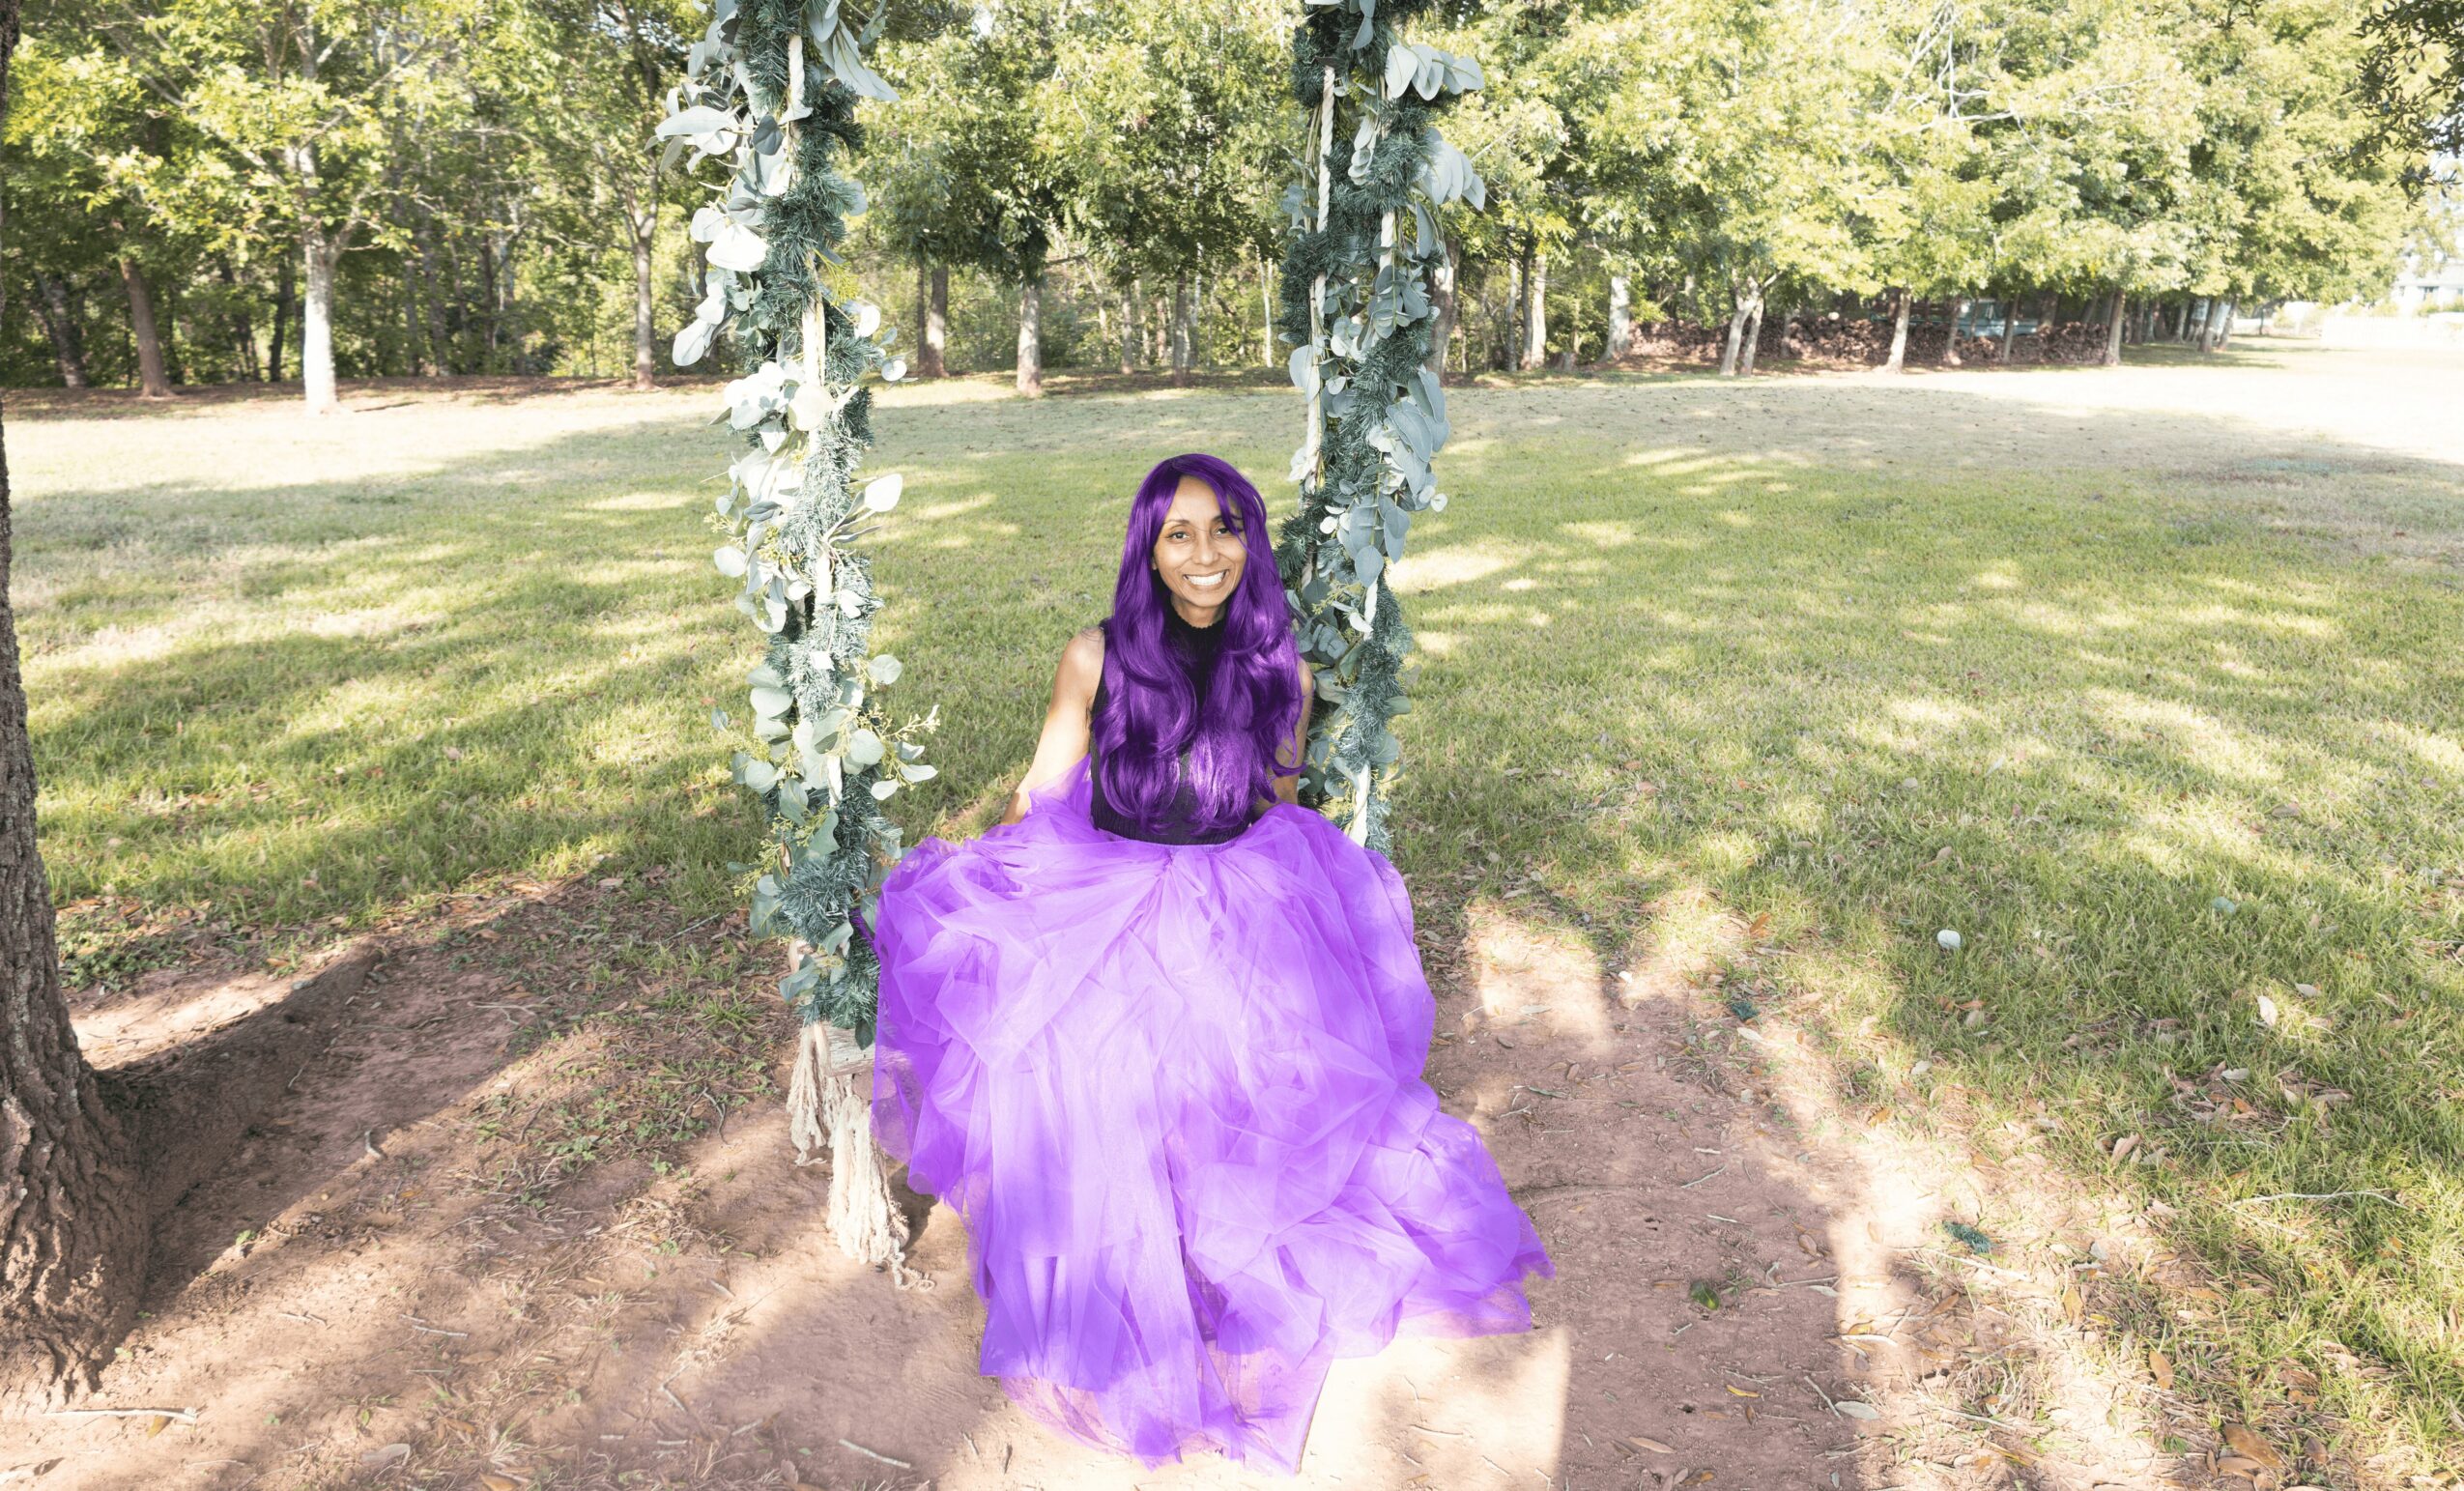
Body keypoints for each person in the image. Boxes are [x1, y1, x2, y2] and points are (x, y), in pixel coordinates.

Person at [869, 452, 1552, 1475]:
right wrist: (1012, 881)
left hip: (1238, 886)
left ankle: (1222, 1259)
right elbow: (1042, 785)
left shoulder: (1283, 668)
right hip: (1111, 888)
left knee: (1248, 1070)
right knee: (1100, 1069)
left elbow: (1274, 791)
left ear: (1252, 542)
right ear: (1149, 546)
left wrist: (1265, 898)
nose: (1204, 553)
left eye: (1225, 529)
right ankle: (1130, 1274)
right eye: (1179, 532)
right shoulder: (1096, 656)